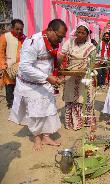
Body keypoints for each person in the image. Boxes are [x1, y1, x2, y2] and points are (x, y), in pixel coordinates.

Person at [9, 19, 67, 151]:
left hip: (45, 83)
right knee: (35, 113)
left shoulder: (53, 42)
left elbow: (48, 61)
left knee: (48, 109)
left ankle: (46, 137)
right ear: (50, 30)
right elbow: (24, 67)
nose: (60, 40)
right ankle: (37, 138)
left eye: (62, 38)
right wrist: (47, 77)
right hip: (30, 84)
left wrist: (57, 62)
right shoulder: (33, 42)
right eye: (59, 36)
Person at [58, 21, 96, 131]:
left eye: (83, 33)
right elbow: (61, 55)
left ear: (87, 35)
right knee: (70, 97)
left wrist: (86, 69)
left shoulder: (91, 47)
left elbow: (93, 63)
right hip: (70, 74)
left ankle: (89, 122)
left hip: (85, 75)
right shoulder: (69, 42)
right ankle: (71, 123)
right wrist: (59, 65)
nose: (80, 34)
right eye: (78, 32)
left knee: (86, 98)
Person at [0, 19, 26, 108]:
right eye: (17, 29)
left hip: (21, 67)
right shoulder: (5, 37)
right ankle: (11, 104)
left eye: (21, 29)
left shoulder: (25, 38)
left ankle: (19, 104)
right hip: (9, 67)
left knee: (20, 86)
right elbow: (1, 52)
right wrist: (3, 65)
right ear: (12, 28)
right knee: (9, 86)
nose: (19, 31)